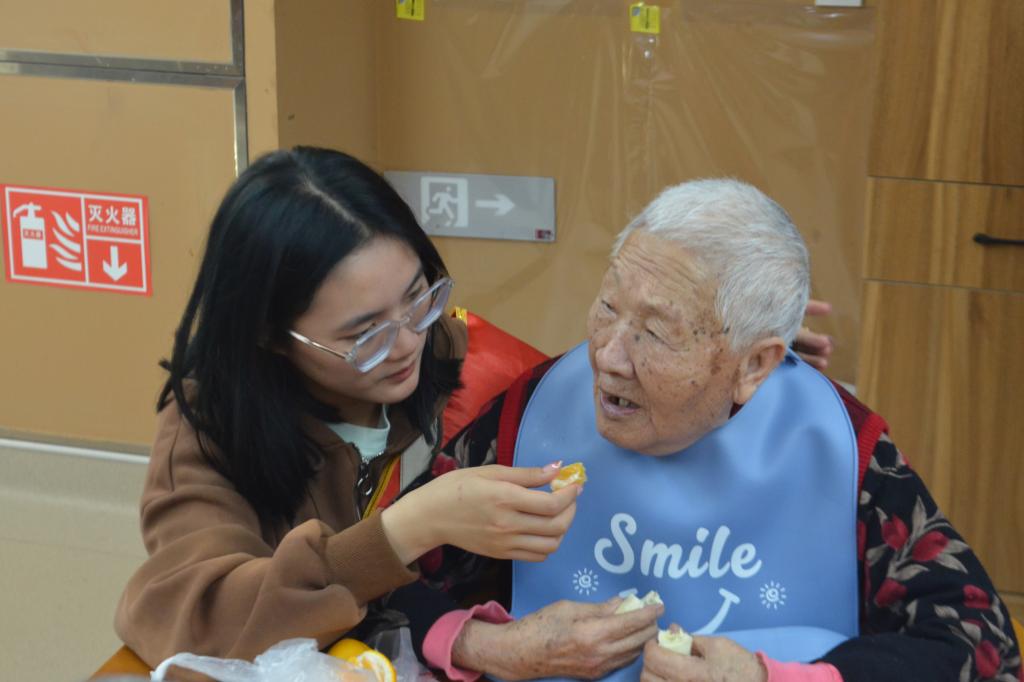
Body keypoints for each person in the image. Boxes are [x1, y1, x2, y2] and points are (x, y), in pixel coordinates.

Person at [419, 179, 1021, 681]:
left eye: (656, 333)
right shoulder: (536, 408)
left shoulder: (833, 438)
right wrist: (491, 646)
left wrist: (770, 679)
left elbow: (980, 649)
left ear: (755, 365)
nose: (606, 357)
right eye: (608, 307)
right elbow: (391, 572)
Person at [113, 147, 582, 667]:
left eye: (419, 297)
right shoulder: (211, 433)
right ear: (270, 334)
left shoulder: (462, 359)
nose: (408, 344)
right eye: (366, 335)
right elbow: (196, 623)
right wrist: (409, 529)